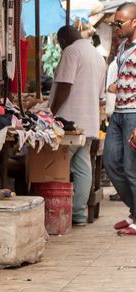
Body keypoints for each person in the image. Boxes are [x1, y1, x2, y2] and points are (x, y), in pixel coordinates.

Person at [50, 26, 106, 226]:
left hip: (69, 122)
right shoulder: (97, 56)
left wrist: (51, 114)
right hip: (89, 121)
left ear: (63, 40)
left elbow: (65, 85)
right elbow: (101, 97)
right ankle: (79, 215)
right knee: (82, 168)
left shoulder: (71, 51)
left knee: (55, 167)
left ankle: (57, 214)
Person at [105, 3, 136, 234]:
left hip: (133, 114)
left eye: (119, 23)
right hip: (118, 113)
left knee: (131, 168)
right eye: (114, 23)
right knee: (111, 163)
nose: (115, 27)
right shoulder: (123, 46)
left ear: (134, 22)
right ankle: (134, 210)